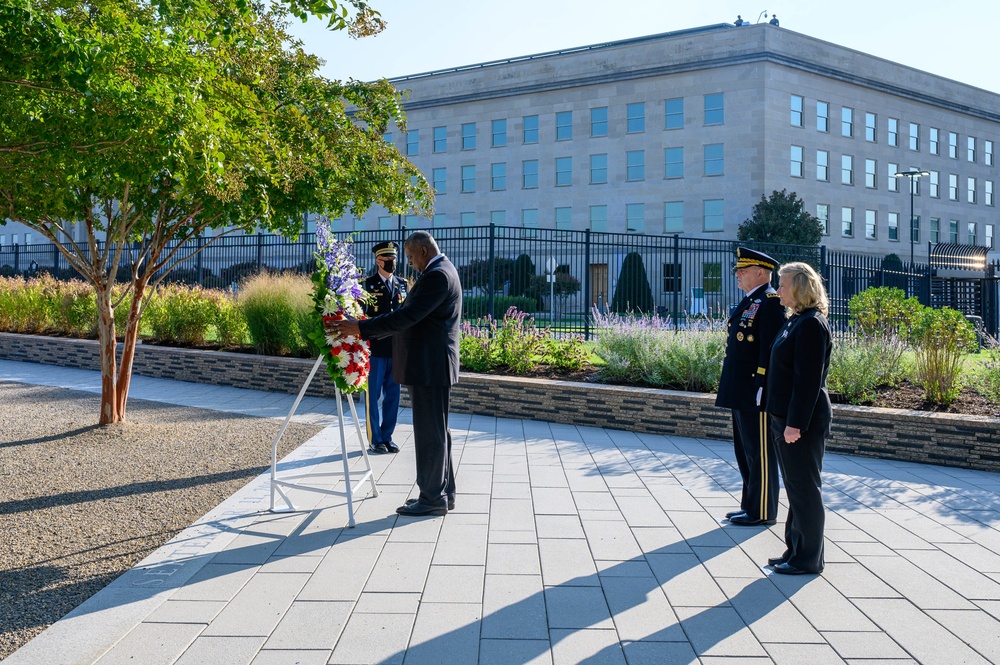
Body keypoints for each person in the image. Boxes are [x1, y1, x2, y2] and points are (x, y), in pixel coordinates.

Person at [327, 231, 462, 517]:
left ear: (424, 250)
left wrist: (360, 328)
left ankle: (431, 497)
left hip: (429, 366)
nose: (409, 263)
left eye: (411, 257)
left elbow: (408, 316)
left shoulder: (437, 275)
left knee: (430, 433)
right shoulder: (441, 270)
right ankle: (442, 492)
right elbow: (409, 315)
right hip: (432, 365)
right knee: (437, 432)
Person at [765, 262, 833, 575]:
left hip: (800, 421)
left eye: (782, 284)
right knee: (795, 487)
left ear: (800, 287)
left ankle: (808, 558)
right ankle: (795, 549)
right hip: (785, 416)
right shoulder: (797, 320)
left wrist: (795, 424)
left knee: (805, 489)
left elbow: (808, 381)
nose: (777, 290)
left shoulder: (811, 325)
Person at [716, 247, 785, 527]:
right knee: (745, 450)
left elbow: (769, 349)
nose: (737, 274)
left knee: (760, 451)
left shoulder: (769, 302)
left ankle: (763, 510)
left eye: (743, 271)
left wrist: (762, 384)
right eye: (737, 270)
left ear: (761, 272)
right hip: (740, 387)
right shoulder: (750, 300)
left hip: (754, 388)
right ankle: (750, 504)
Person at [362, 240, 408, 455]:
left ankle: (387, 437)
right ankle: (375, 439)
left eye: (394, 259)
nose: (392, 263)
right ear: (378, 260)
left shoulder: (403, 284)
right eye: (387, 259)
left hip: (396, 349)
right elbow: (362, 317)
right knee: (373, 395)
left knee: (393, 395)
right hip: (375, 349)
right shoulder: (366, 285)